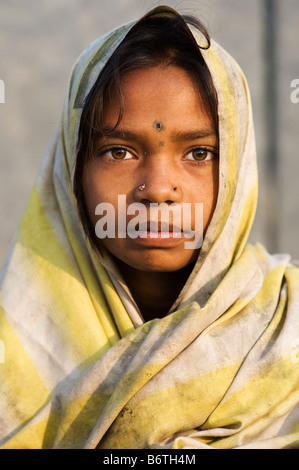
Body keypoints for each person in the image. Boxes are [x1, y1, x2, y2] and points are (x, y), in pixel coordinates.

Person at [0, 5, 298, 450]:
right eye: (119, 151)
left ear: (239, 169)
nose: (158, 190)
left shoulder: (286, 331)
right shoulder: (11, 351)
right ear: (72, 169)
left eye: (199, 153)